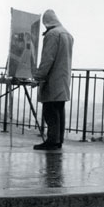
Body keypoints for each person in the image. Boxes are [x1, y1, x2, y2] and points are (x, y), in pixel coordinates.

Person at [33, 9, 74, 151]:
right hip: (63, 79)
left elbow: (47, 59)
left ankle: (52, 141)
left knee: (50, 111)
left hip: (52, 79)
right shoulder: (67, 34)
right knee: (59, 110)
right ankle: (58, 140)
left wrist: (38, 77)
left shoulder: (52, 35)